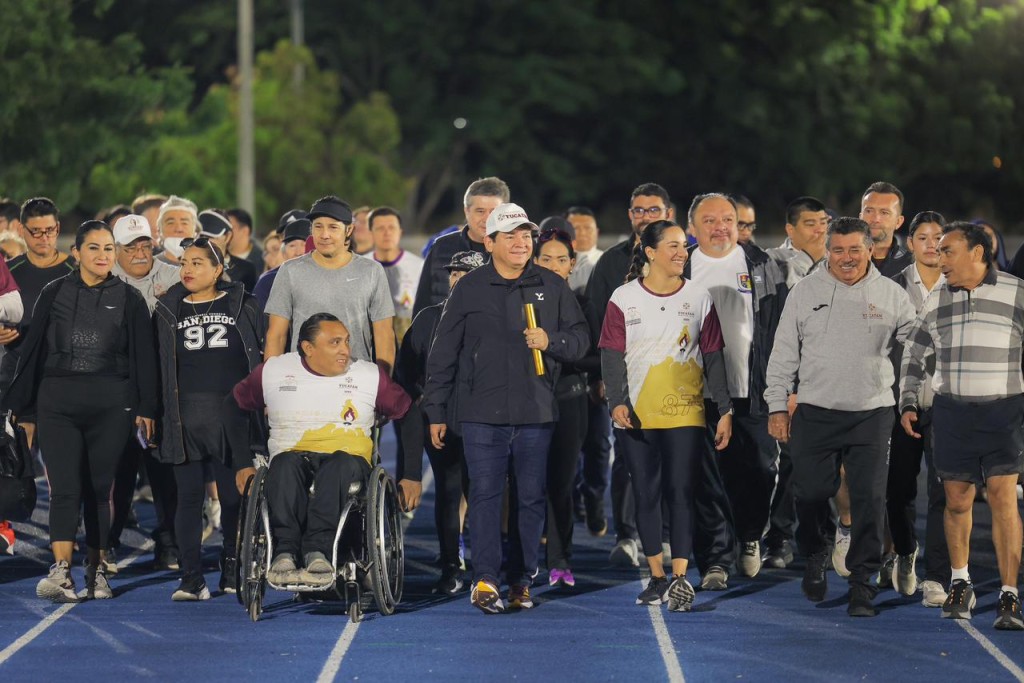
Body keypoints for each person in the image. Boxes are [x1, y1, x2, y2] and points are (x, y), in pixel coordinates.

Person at [423, 203, 589, 614]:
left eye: (526, 234)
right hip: (482, 413)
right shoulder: (469, 288)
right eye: (511, 235)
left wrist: (552, 342)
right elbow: (443, 352)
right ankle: (485, 578)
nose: (521, 242)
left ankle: (521, 579)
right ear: (489, 241)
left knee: (530, 499)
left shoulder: (552, 285)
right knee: (485, 496)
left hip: (537, 413)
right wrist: (437, 410)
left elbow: (582, 339)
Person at [765, 217, 916, 617]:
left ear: (869, 249)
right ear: (828, 251)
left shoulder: (892, 294)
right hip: (815, 410)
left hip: (872, 411)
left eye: (854, 250)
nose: (846, 258)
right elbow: (782, 354)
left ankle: (862, 583)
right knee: (811, 491)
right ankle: (815, 552)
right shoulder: (804, 292)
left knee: (870, 498)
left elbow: (916, 348)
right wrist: (778, 405)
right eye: (838, 250)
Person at [5, 220, 158, 602]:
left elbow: (144, 358)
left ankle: (97, 566)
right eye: (95, 248)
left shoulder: (130, 298)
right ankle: (60, 571)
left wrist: (146, 408)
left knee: (99, 489)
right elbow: (33, 351)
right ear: (76, 253)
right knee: (64, 488)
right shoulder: (54, 292)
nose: (103, 255)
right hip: (57, 401)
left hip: (112, 402)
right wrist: (21, 408)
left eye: (109, 249)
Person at [600, 220, 732, 611]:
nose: (681, 253)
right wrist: (617, 402)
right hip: (637, 414)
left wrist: (725, 409)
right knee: (646, 493)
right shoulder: (623, 299)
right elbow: (610, 355)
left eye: (684, 246)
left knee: (681, 491)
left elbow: (713, 356)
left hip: (686, 412)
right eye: (672, 246)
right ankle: (656, 576)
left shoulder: (699, 296)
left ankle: (680, 577)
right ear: (650, 251)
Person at [899, 221, 1024, 630]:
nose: (939, 257)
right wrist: (907, 400)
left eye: (948, 250)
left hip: (1004, 411)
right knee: (956, 501)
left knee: (1004, 499)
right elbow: (915, 351)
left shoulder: (1017, 291)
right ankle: (960, 581)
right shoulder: (937, 297)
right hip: (952, 412)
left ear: (977, 252)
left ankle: (1008, 593)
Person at [232, 313, 414, 586]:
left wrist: (412, 475)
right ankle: (284, 553)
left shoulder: (367, 375)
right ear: (308, 348)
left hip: (349, 459)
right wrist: (242, 462)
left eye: (347, 341)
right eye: (335, 342)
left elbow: (409, 414)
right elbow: (232, 407)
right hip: (292, 455)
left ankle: (318, 551)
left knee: (338, 465)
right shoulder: (275, 371)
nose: (346, 350)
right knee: (283, 464)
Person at [685, 192, 788, 585]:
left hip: (754, 390)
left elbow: (781, 328)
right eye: (709, 220)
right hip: (698, 393)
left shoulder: (762, 264)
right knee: (705, 476)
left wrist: (784, 388)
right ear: (693, 227)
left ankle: (749, 535)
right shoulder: (681, 265)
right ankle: (714, 558)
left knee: (760, 469)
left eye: (727, 219)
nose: (720, 227)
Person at [153, 237, 263, 600]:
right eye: (184, 262)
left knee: (232, 498)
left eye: (198, 262)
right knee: (187, 499)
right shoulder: (167, 309)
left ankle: (231, 565)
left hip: (231, 417)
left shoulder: (243, 305)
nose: (187, 269)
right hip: (184, 419)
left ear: (218, 269)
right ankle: (190, 577)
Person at [584, 182, 675, 566]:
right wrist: (600, 376)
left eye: (652, 210)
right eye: (638, 211)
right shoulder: (610, 261)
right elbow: (595, 320)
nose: (645, 217)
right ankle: (626, 535)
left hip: (674, 375)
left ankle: (668, 535)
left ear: (668, 213)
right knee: (627, 457)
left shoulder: (685, 256)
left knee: (673, 456)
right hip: (627, 375)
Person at [395, 250, 484, 595]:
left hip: (483, 421)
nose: (457, 278)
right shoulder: (429, 318)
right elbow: (407, 369)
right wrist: (425, 400)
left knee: (485, 494)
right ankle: (450, 565)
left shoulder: (495, 316)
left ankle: (490, 563)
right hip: (441, 421)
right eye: (454, 273)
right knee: (448, 491)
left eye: (466, 273)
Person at [108, 214, 181, 568]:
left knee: (163, 473)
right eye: (130, 246)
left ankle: (168, 541)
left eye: (144, 245)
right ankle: (107, 540)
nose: (139, 253)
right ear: (116, 250)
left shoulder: (174, 275)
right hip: (118, 390)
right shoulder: (103, 279)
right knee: (117, 474)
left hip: (166, 389)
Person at [761, 196, 830, 568]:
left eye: (823, 221)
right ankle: (779, 536)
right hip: (791, 376)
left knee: (829, 460)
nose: (819, 229)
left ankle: (824, 533)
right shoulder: (774, 264)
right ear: (790, 230)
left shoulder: (841, 261)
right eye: (810, 223)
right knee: (788, 459)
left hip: (830, 375)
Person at [887, 211, 949, 607]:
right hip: (898, 401)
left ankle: (938, 575)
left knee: (944, 491)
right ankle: (906, 550)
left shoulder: (959, 285)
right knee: (898, 488)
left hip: (945, 402)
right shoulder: (891, 286)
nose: (930, 244)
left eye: (938, 237)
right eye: (922, 237)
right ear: (909, 243)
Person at [532, 226, 598, 588]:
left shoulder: (583, 304)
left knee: (561, 483)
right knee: (524, 484)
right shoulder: (521, 299)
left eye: (561, 259)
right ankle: (522, 559)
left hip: (569, 400)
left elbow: (593, 355)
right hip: (526, 402)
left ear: (572, 264)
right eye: (546, 259)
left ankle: (559, 560)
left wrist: (553, 346)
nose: (554, 266)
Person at [265, 196, 395, 375]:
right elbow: (276, 335)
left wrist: (383, 385)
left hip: (356, 382)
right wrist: (270, 383)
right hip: (302, 381)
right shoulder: (290, 271)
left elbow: (384, 335)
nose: (324, 235)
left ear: (349, 230)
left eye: (333, 227)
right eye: (318, 226)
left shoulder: (371, 271)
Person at [1, 198, 77, 394]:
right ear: (21, 229)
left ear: (58, 228)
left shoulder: (77, 271)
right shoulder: (7, 272)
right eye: (36, 231)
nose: (44, 237)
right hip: (15, 375)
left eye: (50, 230)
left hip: (64, 377)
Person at [412, 177, 509, 315]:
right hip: (442, 334)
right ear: (466, 211)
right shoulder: (441, 247)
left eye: (493, 212)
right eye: (480, 211)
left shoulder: (516, 251)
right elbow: (422, 303)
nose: (487, 219)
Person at [370, 207, 423, 345]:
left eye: (391, 228)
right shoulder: (360, 266)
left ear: (400, 232)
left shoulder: (419, 266)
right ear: (371, 233)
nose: (387, 233)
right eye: (380, 228)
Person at [195, 210, 259, 294]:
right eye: (201, 236)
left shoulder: (246, 269)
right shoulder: (188, 265)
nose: (206, 241)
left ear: (228, 236)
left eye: (211, 237)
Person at [253, 218, 310, 310]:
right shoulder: (267, 283)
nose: (298, 252)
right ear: (283, 253)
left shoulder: (327, 279)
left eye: (304, 244)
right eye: (292, 245)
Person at [860, 181, 913, 278]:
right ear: (860, 217)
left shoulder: (913, 267)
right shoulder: (842, 261)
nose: (875, 219)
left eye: (884, 213)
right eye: (869, 211)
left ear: (898, 222)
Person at [566, 206, 603, 295]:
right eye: (576, 228)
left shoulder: (608, 261)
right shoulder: (554, 262)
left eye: (587, 228)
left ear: (597, 232)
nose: (582, 233)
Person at [155, 195, 200, 266]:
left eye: (184, 223)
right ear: (159, 230)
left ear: (195, 230)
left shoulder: (208, 268)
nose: (178, 229)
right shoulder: (149, 269)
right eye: (170, 223)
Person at [226, 208, 264, 272]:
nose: (226, 232)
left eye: (230, 228)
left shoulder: (262, 260)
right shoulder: (218, 258)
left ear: (245, 231)